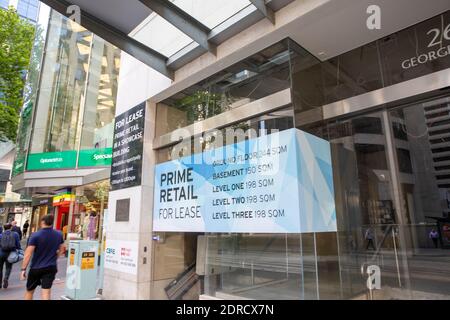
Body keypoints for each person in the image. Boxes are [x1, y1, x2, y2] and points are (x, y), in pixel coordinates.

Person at [20, 215, 64, 300]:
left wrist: (23, 269)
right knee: (46, 292)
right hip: (51, 267)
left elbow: (28, 254)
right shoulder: (59, 234)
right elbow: (62, 250)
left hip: (36, 268)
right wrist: (54, 258)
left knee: (29, 291)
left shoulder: (35, 235)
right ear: (52, 223)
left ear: (42, 222)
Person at [0, 224, 21, 289]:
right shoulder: (15, 234)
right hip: (11, 253)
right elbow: (18, 245)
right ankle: (6, 279)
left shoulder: (0, 235)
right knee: (8, 267)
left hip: (1, 253)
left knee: (0, 268)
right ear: (11, 227)